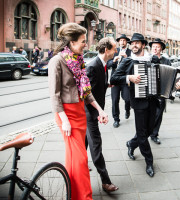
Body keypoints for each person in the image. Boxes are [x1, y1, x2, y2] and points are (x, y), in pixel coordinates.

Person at [48, 23, 108, 199]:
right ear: (71, 42)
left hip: (80, 113)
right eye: (82, 41)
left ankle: (73, 193)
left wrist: (100, 110)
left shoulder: (78, 60)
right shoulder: (56, 61)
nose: (86, 45)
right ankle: (84, 196)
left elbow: (86, 93)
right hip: (67, 116)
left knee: (74, 158)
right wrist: (64, 120)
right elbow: (54, 95)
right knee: (81, 159)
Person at [110, 33, 158, 177]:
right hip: (138, 102)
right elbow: (114, 78)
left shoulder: (153, 59)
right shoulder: (128, 61)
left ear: (143, 45)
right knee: (142, 134)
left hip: (153, 100)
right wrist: (128, 77)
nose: (134, 45)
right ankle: (149, 162)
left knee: (149, 131)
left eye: (137, 43)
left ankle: (131, 144)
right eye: (133, 43)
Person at [85, 37, 119, 193]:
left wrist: (107, 84)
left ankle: (80, 165)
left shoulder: (102, 64)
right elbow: (87, 94)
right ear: (106, 50)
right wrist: (99, 111)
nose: (116, 51)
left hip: (94, 110)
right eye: (114, 49)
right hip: (89, 112)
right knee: (96, 144)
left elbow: (97, 85)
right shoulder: (92, 66)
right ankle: (105, 181)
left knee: (84, 141)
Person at [148, 38, 171, 145]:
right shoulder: (147, 59)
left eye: (157, 47)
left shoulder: (166, 61)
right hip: (148, 91)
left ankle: (154, 134)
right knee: (147, 113)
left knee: (158, 114)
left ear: (161, 48)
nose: (155, 49)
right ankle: (146, 132)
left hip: (161, 91)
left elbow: (171, 76)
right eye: (153, 47)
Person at [107, 34, 131, 128]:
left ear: (126, 42)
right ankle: (116, 119)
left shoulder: (130, 52)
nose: (122, 42)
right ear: (119, 42)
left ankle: (127, 109)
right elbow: (108, 64)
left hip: (125, 79)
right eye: (121, 40)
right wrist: (114, 61)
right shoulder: (114, 51)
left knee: (127, 98)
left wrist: (126, 58)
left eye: (124, 40)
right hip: (115, 79)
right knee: (115, 100)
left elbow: (132, 65)